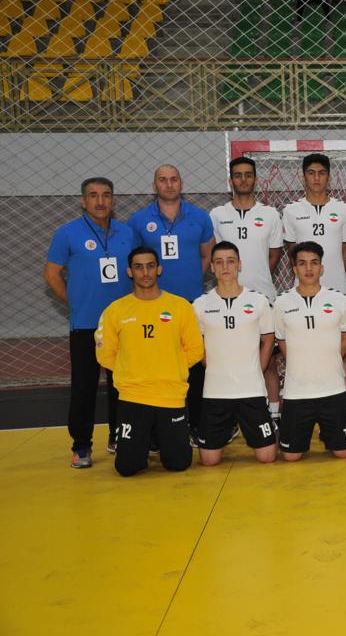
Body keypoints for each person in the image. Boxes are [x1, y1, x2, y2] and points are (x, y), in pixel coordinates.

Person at [44, 177, 140, 468]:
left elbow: (138, 271)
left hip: (123, 323)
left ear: (113, 200)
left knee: (121, 384)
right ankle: (82, 446)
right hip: (85, 324)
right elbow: (51, 274)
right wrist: (75, 302)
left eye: (106, 195)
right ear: (83, 201)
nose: (100, 201)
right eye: (94, 195)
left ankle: (118, 437)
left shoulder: (128, 233)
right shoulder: (67, 233)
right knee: (84, 386)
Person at [95, 246, 204, 476]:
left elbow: (195, 349)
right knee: (127, 467)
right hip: (133, 397)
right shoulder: (116, 310)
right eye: (138, 267)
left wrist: (170, 367)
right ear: (129, 272)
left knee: (178, 463)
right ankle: (143, 443)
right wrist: (132, 371)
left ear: (159, 269)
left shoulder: (180, 307)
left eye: (150, 266)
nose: (145, 272)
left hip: (170, 395)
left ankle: (159, 440)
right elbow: (105, 355)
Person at [127, 165, 214, 440]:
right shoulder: (139, 220)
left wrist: (191, 279)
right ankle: (155, 430)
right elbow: (135, 261)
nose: (169, 184)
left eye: (173, 179)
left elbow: (207, 255)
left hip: (190, 302)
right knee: (158, 365)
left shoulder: (200, 217)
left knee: (194, 364)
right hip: (152, 305)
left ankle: (196, 425)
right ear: (155, 186)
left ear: (181, 183)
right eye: (162, 180)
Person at [210, 156, 284, 420]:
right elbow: (215, 256)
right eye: (238, 175)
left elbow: (274, 255)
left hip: (263, 298)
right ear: (231, 180)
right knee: (228, 358)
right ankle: (230, 418)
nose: (243, 179)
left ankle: (273, 416)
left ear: (255, 179)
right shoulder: (217, 215)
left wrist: (255, 282)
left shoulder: (270, 215)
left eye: (248, 175)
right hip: (227, 300)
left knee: (268, 361)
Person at [192, 242, 277, 466]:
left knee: (267, 456)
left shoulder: (258, 302)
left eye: (230, 261)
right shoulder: (200, 305)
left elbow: (268, 339)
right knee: (209, 460)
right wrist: (211, 365)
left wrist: (258, 368)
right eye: (219, 262)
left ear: (239, 265)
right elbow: (195, 343)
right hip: (216, 390)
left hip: (251, 389)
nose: (225, 267)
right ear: (212, 267)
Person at [282, 153, 346, 408]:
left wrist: (332, 279)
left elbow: (345, 251)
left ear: (329, 176)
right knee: (304, 354)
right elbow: (292, 252)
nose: (316, 178)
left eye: (321, 173)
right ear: (303, 177)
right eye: (311, 173)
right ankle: (303, 406)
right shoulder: (291, 211)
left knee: (342, 356)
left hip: (336, 292)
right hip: (303, 296)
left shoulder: (343, 209)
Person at [273, 241, 346, 461]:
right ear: (294, 268)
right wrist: (301, 362)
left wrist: (329, 359)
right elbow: (282, 341)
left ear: (322, 267)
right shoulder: (281, 303)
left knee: (343, 452)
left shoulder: (339, 300)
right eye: (302, 263)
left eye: (314, 263)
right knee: (290, 456)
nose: (308, 268)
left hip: (332, 388)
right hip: (297, 391)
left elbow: (345, 337)